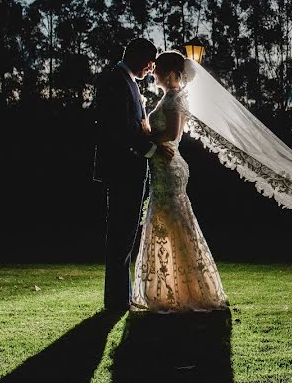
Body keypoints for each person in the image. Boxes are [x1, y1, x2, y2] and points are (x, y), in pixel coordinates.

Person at [131, 50, 228, 312]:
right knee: (169, 226)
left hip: (168, 166)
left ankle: (191, 290)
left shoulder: (175, 99)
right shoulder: (170, 97)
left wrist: (145, 137)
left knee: (176, 225)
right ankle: (174, 289)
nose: (154, 73)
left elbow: (172, 135)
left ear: (170, 72)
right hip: (162, 166)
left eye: (158, 69)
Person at [93, 38, 174, 312]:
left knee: (125, 234)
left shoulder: (126, 81)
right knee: (121, 234)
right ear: (138, 56)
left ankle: (120, 298)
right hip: (122, 169)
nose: (152, 68)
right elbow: (118, 127)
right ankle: (116, 301)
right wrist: (151, 148)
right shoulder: (116, 81)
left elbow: (131, 124)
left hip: (128, 169)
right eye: (150, 61)